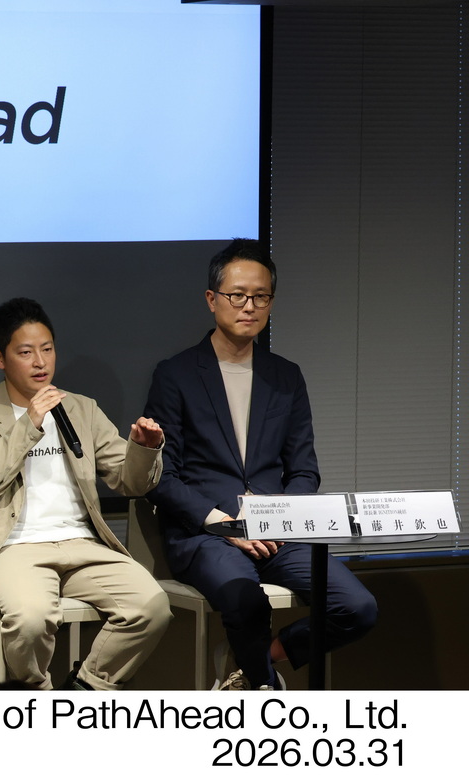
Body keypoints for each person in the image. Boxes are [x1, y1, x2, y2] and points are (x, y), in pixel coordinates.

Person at [143, 238, 377, 690]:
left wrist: (279, 519)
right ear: (211, 299)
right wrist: (224, 525)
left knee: (358, 607)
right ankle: (263, 688)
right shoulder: (175, 375)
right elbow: (160, 476)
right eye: (237, 295)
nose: (249, 306)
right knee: (246, 601)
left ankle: (258, 661)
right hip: (207, 533)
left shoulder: (286, 376)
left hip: (276, 534)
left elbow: (304, 470)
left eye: (261, 296)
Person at [0, 297, 170, 690]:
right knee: (30, 619)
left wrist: (144, 449)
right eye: (25, 352)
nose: (40, 362)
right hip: (14, 547)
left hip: (82, 544)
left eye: (47, 349)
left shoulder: (81, 409)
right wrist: (29, 423)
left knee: (151, 606)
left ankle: (84, 689)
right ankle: (37, 697)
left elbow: (131, 483)